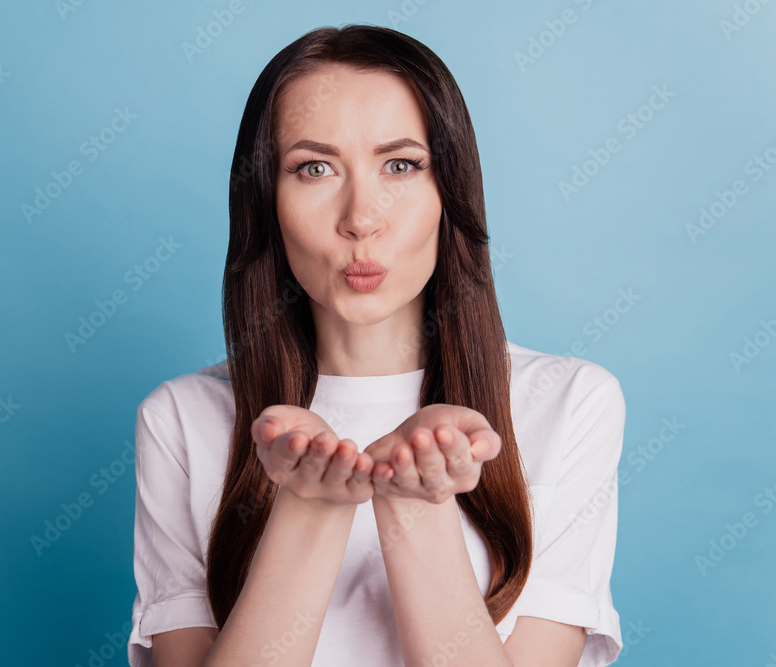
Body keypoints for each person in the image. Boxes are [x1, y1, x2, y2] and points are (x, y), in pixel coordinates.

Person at [127, 24, 625, 667]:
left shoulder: (568, 403)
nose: (361, 217)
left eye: (400, 165)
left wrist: (417, 505)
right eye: (314, 168)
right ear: (265, 201)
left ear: (450, 190)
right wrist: (309, 509)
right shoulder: (181, 419)